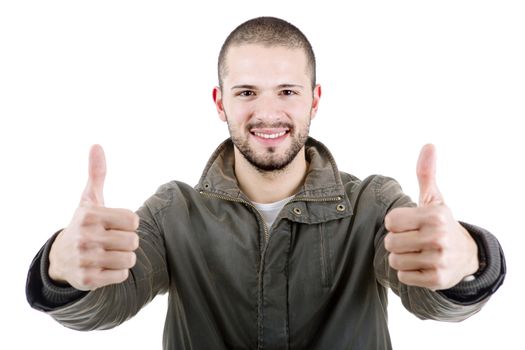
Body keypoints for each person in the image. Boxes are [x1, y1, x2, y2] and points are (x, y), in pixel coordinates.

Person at [26, 16, 506, 349]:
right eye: (247, 92)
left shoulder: (373, 203)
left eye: (288, 92)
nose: (269, 112)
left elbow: (429, 295)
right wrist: (62, 272)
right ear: (220, 102)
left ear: (315, 100)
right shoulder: (173, 211)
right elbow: (107, 305)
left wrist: (468, 264)